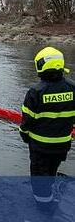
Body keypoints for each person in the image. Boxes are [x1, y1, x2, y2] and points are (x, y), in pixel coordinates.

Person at [19, 46, 75, 213]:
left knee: (39, 176)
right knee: (52, 169)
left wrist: (24, 134)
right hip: (63, 144)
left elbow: (27, 121)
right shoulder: (72, 88)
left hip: (40, 146)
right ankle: (48, 195)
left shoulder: (35, 91)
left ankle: (44, 208)